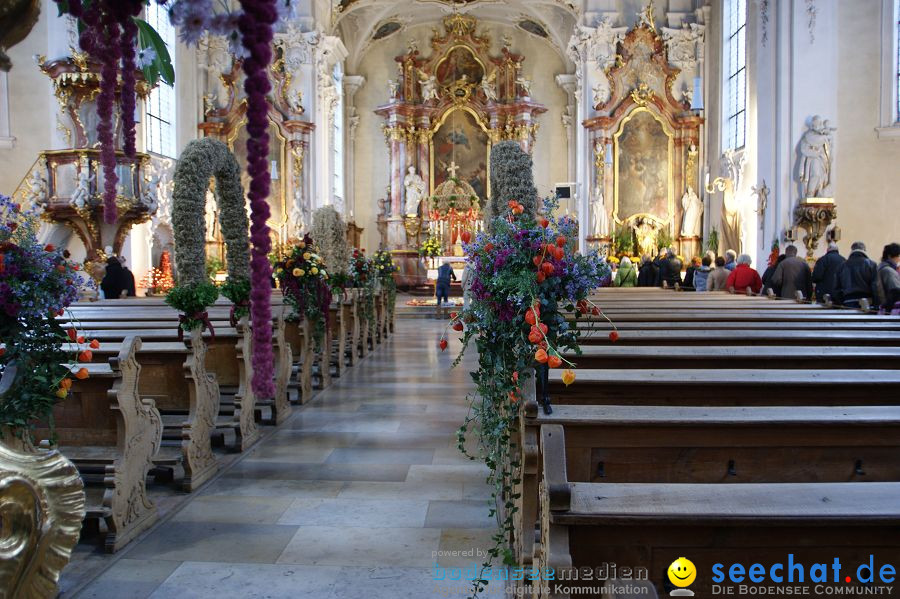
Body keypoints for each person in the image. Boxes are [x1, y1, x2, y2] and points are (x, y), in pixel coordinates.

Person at [833, 241, 878, 309]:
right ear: (864, 250)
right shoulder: (871, 264)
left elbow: (836, 288)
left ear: (852, 250)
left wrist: (841, 302)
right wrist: (876, 304)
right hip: (867, 302)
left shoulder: (842, 266)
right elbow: (875, 286)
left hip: (848, 301)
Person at [876, 243, 900, 312]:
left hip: (884, 308)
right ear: (890, 256)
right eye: (898, 256)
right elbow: (896, 293)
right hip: (891, 309)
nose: (899, 259)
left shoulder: (880, 267)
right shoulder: (889, 271)